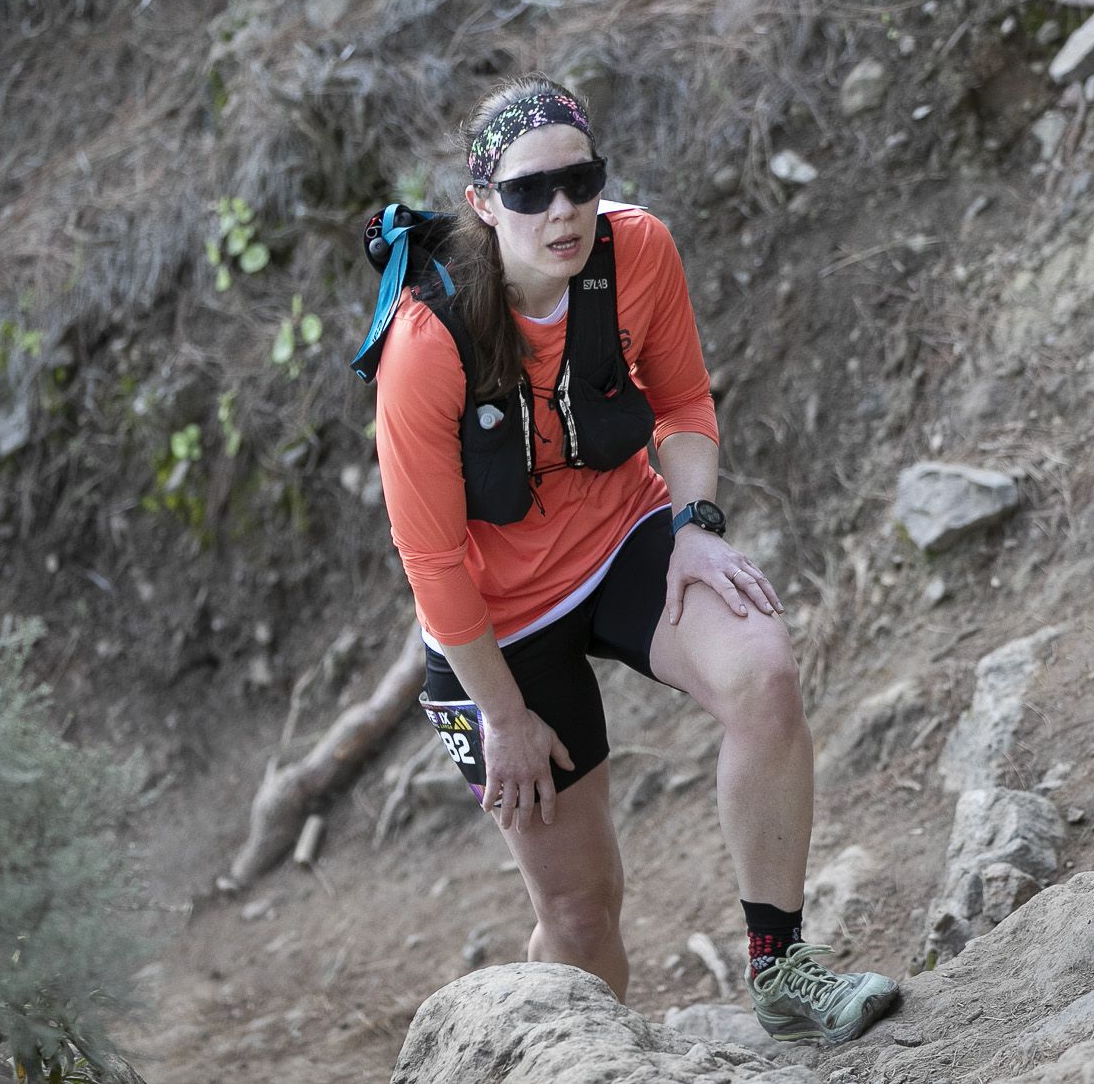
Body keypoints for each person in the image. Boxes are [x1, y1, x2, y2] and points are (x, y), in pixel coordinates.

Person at [371, 76, 900, 1044]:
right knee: (580, 919)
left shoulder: (636, 249)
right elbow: (432, 559)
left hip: (622, 539)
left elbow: (685, 403)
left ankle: (779, 971)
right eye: (529, 191)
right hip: (494, 624)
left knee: (763, 673)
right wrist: (504, 716)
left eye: (579, 181)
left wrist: (695, 523)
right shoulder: (428, 341)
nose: (561, 209)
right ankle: (542, 1057)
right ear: (482, 202)